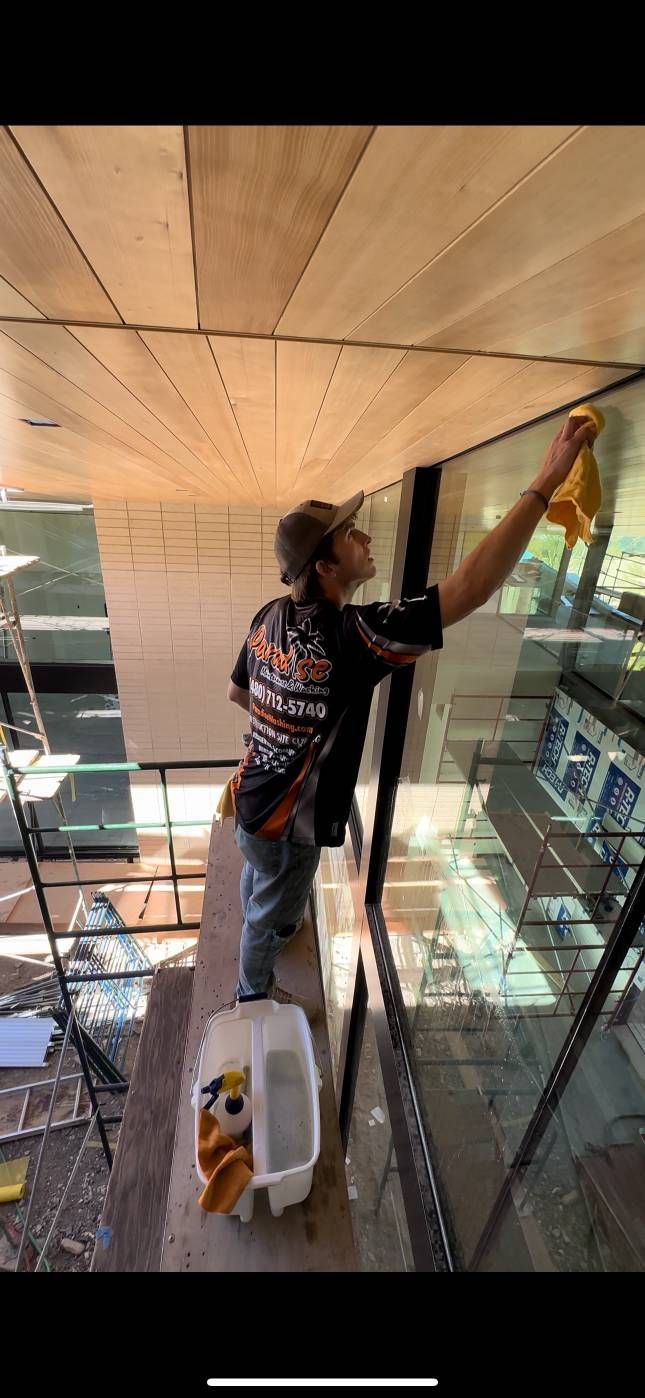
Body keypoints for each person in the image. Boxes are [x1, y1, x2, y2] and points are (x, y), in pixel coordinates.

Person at [227, 412, 595, 1004]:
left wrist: (284, 726)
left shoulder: (269, 615)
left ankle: (266, 938)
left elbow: (240, 694)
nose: (366, 539)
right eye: (352, 535)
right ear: (325, 566)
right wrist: (544, 483)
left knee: (259, 881)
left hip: (251, 798)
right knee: (269, 913)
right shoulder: (353, 635)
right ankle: (251, 995)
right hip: (285, 824)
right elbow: (468, 591)